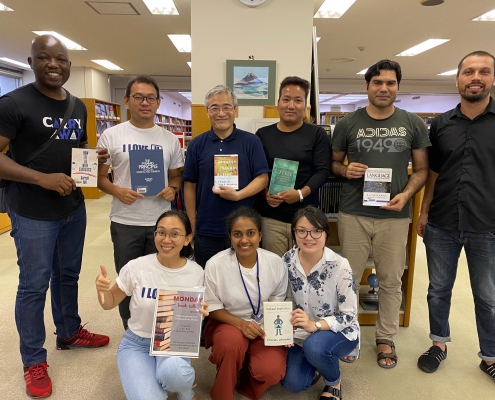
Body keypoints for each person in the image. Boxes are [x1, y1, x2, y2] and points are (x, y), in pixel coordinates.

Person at [0, 35, 110, 398]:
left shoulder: (77, 106)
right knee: (34, 285)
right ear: (30, 62)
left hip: (72, 208)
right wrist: (41, 178)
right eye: (45, 58)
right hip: (32, 211)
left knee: (68, 274)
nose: (53, 64)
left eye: (60, 59)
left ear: (69, 64)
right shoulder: (13, 103)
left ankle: (69, 331)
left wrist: (93, 158)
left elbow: (77, 148)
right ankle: (33, 359)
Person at [331, 59, 430, 368]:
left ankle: (385, 337)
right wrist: (346, 170)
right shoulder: (348, 123)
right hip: (354, 213)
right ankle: (348, 333)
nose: (383, 88)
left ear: (398, 87)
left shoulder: (412, 122)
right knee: (347, 280)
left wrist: (407, 195)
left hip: (395, 215)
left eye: (390, 83)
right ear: (367, 86)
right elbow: (333, 164)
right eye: (377, 82)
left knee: (390, 281)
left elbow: (422, 170)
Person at [416, 50, 495, 381]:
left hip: (487, 225)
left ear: (492, 78)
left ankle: (490, 356)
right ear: (458, 78)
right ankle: (439, 344)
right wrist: (423, 211)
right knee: (438, 289)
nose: (475, 77)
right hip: (441, 222)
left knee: (488, 296)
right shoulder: (440, 124)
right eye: (469, 72)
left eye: (484, 71)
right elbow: (433, 173)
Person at [97, 75, 184, 329]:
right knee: (128, 281)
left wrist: (173, 189)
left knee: (161, 279)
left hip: (161, 224)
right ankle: (131, 331)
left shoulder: (169, 139)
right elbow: (99, 179)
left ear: (158, 103)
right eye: (138, 97)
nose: (145, 103)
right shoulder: (111, 136)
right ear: (127, 101)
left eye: (150, 98)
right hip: (125, 221)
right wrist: (117, 191)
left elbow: (176, 176)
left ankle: (160, 331)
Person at [95, 210, 207, 400]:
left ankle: (183, 389)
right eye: (161, 232)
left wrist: (201, 313)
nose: (166, 239)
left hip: (172, 342)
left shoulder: (197, 272)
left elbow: (201, 310)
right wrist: (102, 290)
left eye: (175, 234)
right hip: (136, 343)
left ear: (187, 239)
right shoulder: (136, 266)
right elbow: (109, 303)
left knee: (176, 374)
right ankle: (155, 377)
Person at [204, 207, 288, 400]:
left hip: (265, 324)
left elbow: (279, 297)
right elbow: (212, 306)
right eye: (237, 234)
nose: (244, 240)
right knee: (230, 344)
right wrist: (242, 324)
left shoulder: (275, 262)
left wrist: (263, 325)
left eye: (250, 233)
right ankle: (223, 393)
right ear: (230, 237)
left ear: (260, 235)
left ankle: (246, 375)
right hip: (229, 324)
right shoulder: (215, 264)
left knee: (271, 370)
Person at [182, 85, 270, 268]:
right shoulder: (196, 144)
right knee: (208, 277)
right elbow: (189, 185)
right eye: (214, 108)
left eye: (227, 107)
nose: (221, 113)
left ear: (235, 110)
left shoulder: (251, 141)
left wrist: (238, 195)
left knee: (244, 277)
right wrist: (192, 221)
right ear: (207, 112)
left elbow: (263, 178)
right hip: (207, 228)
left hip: (243, 229)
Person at [281, 206, 359, 400]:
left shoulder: (340, 265)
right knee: (292, 383)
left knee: (315, 346)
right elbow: (286, 298)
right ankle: (317, 360)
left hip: (338, 331)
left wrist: (314, 325)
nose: (309, 237)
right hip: (301, 333)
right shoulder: (287, 260)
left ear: (326, 233)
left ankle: (334, 382)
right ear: (294, 233)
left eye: (316, 230)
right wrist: (285, 327)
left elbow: (349, 314)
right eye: (302, 231)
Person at [255, 76, 331, 257]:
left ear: (305, 105)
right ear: (278, 103)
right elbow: (256, 171)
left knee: (306, 268)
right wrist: (265, 193)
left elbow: (322, 171)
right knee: (275, 268)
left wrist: (300, 194)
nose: (291, 105)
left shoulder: (317, 134)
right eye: (286, 99)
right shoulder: (262, 134)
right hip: (271, 218)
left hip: (307, 218)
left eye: (298, 100)